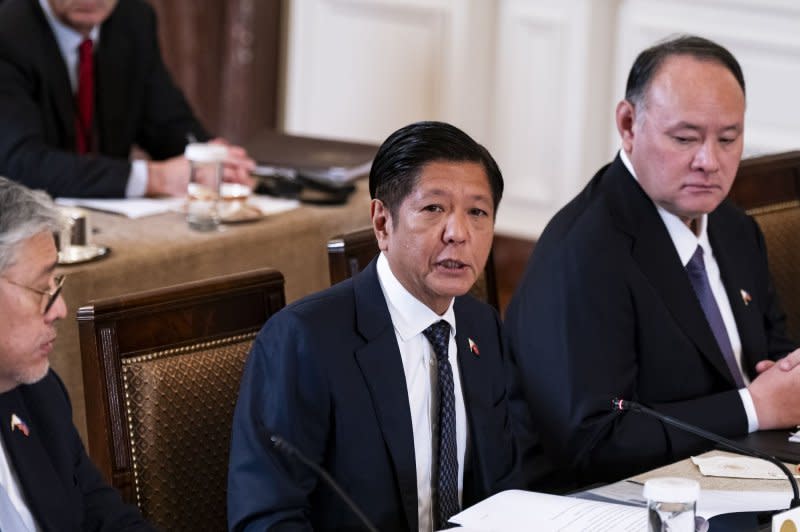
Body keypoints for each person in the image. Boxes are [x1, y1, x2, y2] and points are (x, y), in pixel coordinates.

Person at [504, 35, 800, 487]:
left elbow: (774, 361)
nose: (710, 161)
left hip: (751, 473)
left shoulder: (735, 229)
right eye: (685, 138)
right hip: (625, 498)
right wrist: (753, 408)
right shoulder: (585, 252)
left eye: (728, 138)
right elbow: (590, 440)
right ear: (628, 123)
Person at [228, 121, 527, 531]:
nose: (459, 233)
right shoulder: (304, 341)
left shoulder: (482, 327)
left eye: (477, 212)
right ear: (382, 223)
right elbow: (267, 521)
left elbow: (503, 488)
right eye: (433, 209)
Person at [0, 176, 154, 531]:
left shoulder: (38, 393)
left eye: (57, 284)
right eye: (42, 288)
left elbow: (102, 518)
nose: (60, 310)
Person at [0, 0, 254, 199]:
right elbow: (21, 165)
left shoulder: (133, 20)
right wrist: (157, 178)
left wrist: (212, 158)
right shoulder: (8, 29)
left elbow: (168, 124)